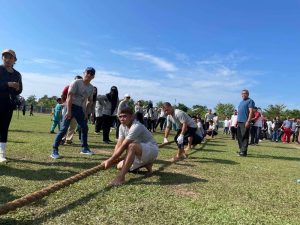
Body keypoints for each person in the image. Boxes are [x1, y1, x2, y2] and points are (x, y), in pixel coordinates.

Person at [101, 107, 158, 186]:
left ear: (132, 116)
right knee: (120, 166)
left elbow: (124, 145)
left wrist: (110, 160)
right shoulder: (122, 127)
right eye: (120, 116)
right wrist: (114, 158)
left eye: (125, 116)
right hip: (140, 152)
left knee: (131, 146)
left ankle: (121, 177)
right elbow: (119, 143)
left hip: (152, 150)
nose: (122, 119)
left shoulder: (137, 126)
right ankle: (146, 164)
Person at [50, 67, 95, 159]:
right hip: (70, 106)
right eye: (88, 72)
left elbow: (90, 101)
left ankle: (84, 148)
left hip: (80, 109)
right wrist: (69, 111)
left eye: (92, 73)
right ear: (84, 73)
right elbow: (69, 96)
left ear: (93, 76)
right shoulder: (76, 82)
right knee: (64, 129)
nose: (89, 75)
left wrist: (86, 112)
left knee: (84, 127)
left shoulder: (91, 88)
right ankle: (54, 150)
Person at [0, 49, 23, 162]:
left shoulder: (17, 74)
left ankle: (1, 154)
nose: (8, 59)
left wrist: (17, 88)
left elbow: (20, 90)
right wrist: (7, 84)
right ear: (2, 58)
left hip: (8, 104)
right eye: (5, 57)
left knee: (4, 128)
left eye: (10, 57)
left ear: (15, 60)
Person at [236, 89, 255, 157]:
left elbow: (251, 112)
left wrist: (248, 121)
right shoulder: (241, 102)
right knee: (239, 137)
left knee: (245, 136)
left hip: (245, 122)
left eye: (245, 93)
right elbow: (239, 113)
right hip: (239, 121)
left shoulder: (250, 101)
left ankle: (243, 152)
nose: (243, 94)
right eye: (242, 93)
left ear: (248, 94)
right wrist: (237, 121)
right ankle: (241, 150)